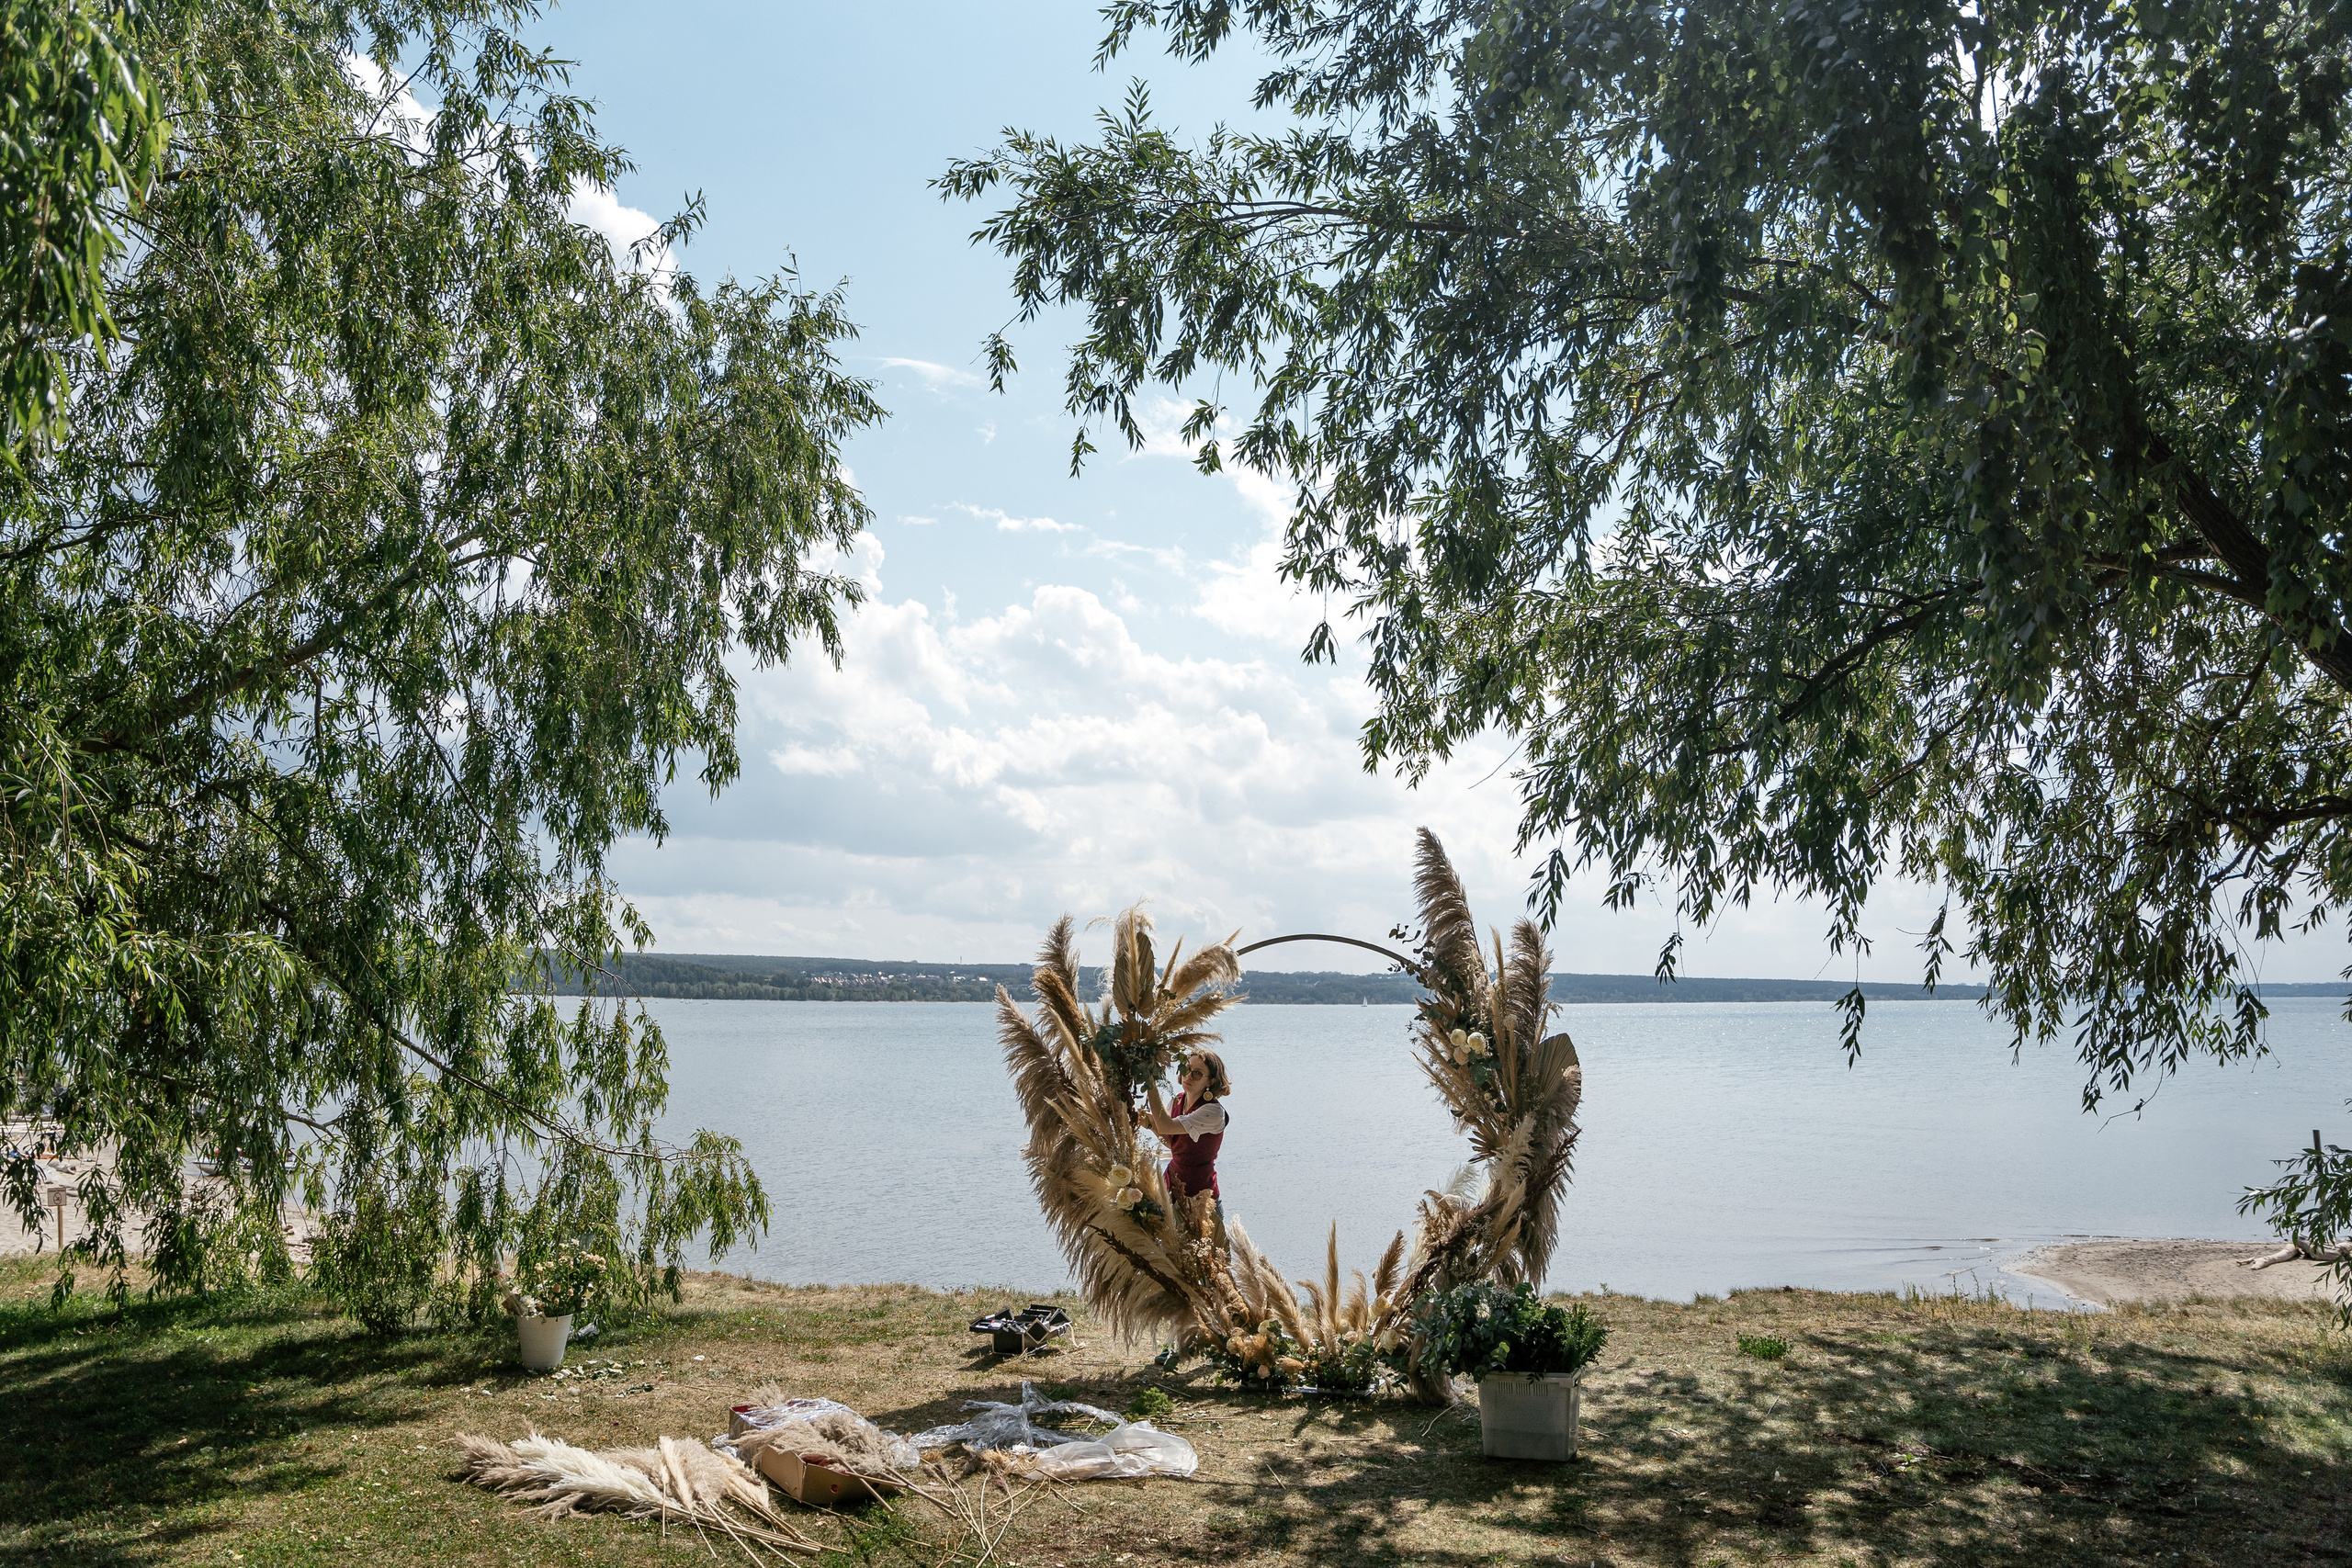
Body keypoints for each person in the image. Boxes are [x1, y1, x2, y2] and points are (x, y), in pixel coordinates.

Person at [1141, 1050, 1229, 1221]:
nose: (1188, 1076)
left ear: (1210, 1081)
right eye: (1186, 1069)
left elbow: (1166, 1125)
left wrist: (1149, 1080)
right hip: (1171, 1192)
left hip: (1202, 1201)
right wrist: (1151, 1124)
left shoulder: (1213, 1111)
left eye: (1197, 1074)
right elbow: (1173, 1142)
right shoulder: (1176, 1101)